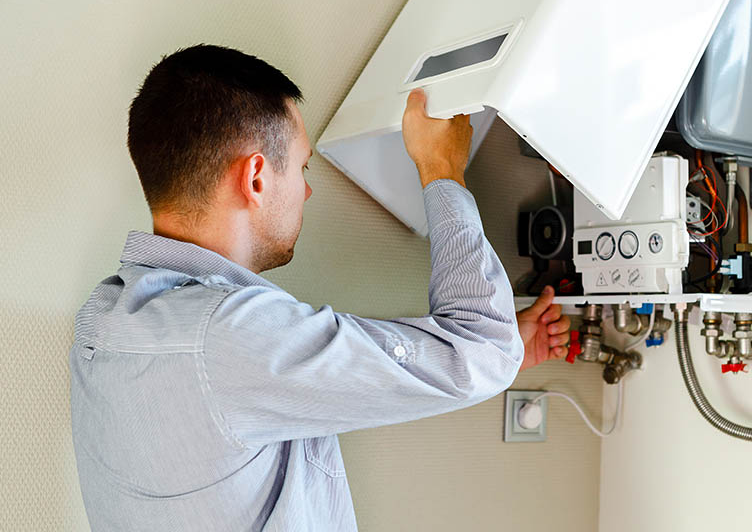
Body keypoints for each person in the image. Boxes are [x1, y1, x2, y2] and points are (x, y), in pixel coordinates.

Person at [69, 44, 571, 531]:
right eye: (302, 166)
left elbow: (262, 396)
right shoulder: (227, 338)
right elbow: (482, 347)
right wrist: (442, 170)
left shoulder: (106, 317)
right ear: (257, 178)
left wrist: (466, 354)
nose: (306, 189)